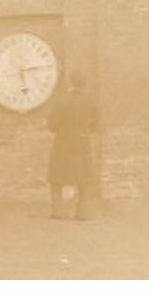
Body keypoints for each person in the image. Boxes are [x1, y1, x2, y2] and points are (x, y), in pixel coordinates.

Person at [46, 70, 100, 220]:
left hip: (63, 145)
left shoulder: (62, 101)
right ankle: (82, 212)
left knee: (57, 177)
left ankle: (57, 211)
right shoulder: (90, 102)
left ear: (71, 82)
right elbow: (95, 127)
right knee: (83, 177)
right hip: (82, 144)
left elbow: (51, 126)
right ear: (85, 84)